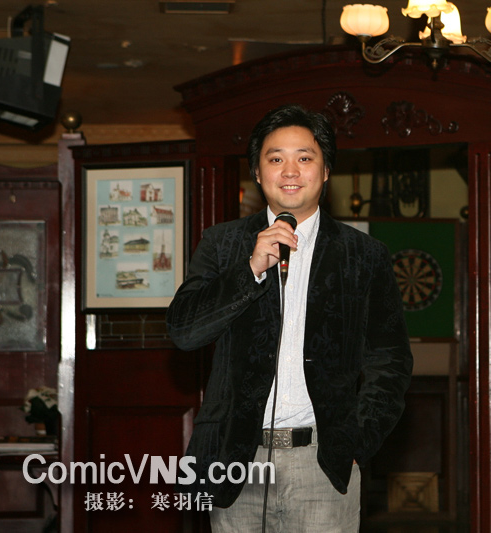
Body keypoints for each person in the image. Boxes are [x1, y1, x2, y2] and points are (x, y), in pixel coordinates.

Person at [166, 104, 413, 532]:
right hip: (236, 463)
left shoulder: (363, 254)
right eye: (276, 158)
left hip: (322, 465)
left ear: (326, 170)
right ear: (257, 172)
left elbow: (390, 360)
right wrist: (250, 270)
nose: (291, 171)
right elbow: (184, 331)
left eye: (305, 157)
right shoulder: (222, 244)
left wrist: (357, 441)